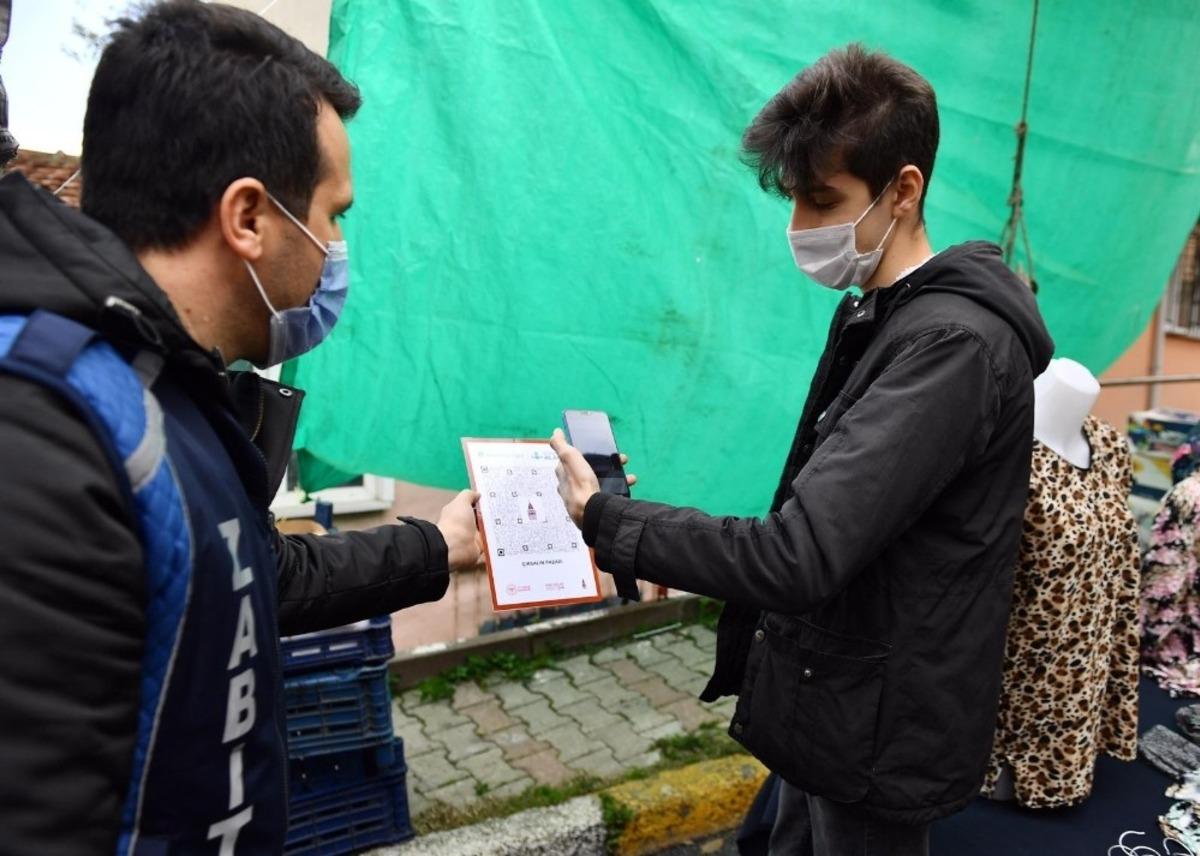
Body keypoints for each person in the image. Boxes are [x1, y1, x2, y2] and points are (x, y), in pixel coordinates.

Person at [0, 2, 481, 852]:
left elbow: (246, 569)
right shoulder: (44, 430)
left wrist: (439, 547)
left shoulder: (167, 388)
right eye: (334, 217)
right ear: (249, 218)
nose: (336, 252)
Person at [552, 44, 1054, 855]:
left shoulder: (951, 348)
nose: (800, 229)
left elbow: (798, 553)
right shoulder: (880, 313)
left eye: (822, 200)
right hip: (833, 689)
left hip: (880, 724)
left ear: (904, 189)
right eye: (792, 200)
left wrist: (611, 520)